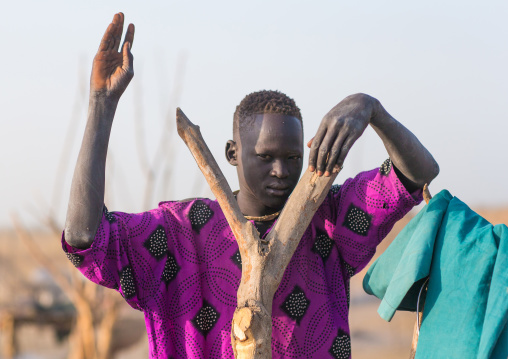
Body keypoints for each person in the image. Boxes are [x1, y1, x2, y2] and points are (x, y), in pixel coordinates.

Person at [62, 13, 439, 359]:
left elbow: (419, 173)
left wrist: (370, 108)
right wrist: (100, 104)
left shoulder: (329, 221)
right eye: (265, 157)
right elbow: (84, 238)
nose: (280, 171)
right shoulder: (178, 233)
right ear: (232, 153)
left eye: (293, 158)